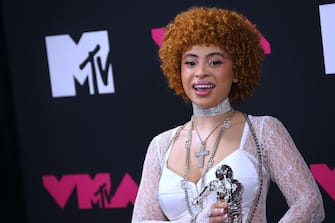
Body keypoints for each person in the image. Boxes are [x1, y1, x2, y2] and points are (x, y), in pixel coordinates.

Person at [131, 6, 325, 223]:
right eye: (191, 62)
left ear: (237, 70)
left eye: (215, 62)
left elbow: (310, 203)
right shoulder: (160, 145)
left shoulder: (263, 131)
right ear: (179, 70)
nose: (201, 71)